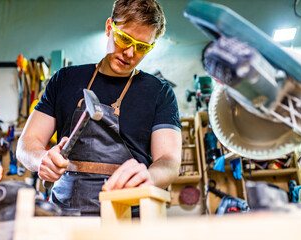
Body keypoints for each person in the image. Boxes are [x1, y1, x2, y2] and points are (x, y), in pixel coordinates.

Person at [16, 0, 182, 216]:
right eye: (124, 39)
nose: (130, 53)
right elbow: (27, 144)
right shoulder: (65, 79)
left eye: (142, 47)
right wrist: (41, 160)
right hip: (64, 215)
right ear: (109, 27)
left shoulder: (159, 91)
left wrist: (150, 177)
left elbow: (169, 161)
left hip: (128, 216)